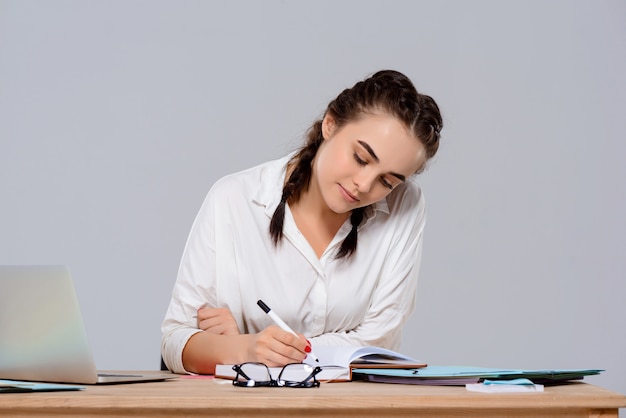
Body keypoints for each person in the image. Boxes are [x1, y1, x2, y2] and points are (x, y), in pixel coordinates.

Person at [161, 69, 443, 375]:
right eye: (360, 158)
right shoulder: (234, 198)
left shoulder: (406, 205)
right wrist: (246, 348)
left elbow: (378, 342)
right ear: (331, 124)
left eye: (387, 182)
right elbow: (177, 340)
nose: (364, 184)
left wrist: (249, 347)